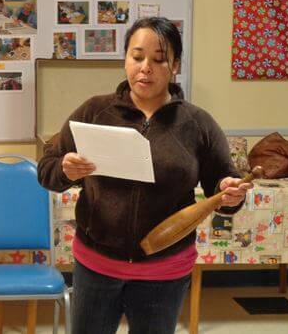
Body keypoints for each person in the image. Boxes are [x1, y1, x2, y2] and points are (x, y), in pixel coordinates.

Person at [38, 17, 251, 334]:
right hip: (96, 265)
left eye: (159, 59)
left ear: (175, 64)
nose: (145, 68)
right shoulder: (94, 112)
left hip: (164, 271)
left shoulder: (198, 124)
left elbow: (222, 186)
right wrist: (65, 169)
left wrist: (230, 191)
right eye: (137, 57)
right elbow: (47, 170)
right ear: (125, 58)